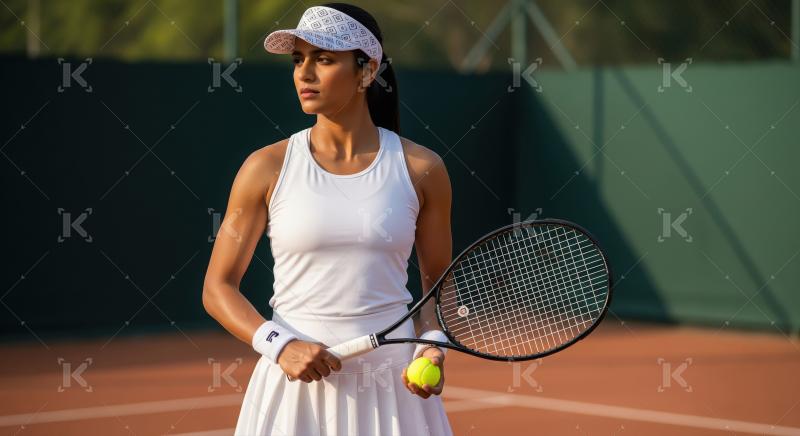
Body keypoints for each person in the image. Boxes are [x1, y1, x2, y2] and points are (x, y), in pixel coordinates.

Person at [202, 3, 454, 435]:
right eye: (299, 59)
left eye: (324, 59)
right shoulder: (264, 167)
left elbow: (437, 283)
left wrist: (432, 346)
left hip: (393, 390)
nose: (304, 73)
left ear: (366, 70)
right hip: (290, 389)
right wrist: (281, 346)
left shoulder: (422, 169)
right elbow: (217, 287)